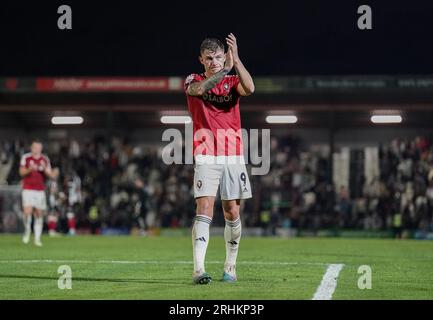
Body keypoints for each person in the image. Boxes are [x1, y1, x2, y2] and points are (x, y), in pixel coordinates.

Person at [184, 33, 255, 284]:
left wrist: (236, 61)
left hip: (233, 153)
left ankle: (230, 267)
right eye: (208, 58)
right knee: (204, 207)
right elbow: (200, 90)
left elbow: (250, 88)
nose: (213, 61)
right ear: (200, 60)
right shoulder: (193, 79)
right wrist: (223, 70)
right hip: (206, 153)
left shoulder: (233, 78)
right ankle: (198, 270)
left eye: (217, 57)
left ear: (224, 55)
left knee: (232, 212)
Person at [19, 139, 58, 246]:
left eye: (38, 147)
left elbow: (51, 175)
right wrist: (29, 169)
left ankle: (37, 238)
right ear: (31, 148)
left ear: (41, 148)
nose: (36, 149)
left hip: (40, 190)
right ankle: (27, 231)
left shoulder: (45, 159)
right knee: (27, 212)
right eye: (34, 147)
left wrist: (45, 170)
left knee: (39, 214)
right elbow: (21, 172)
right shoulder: (26, 158)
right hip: (28, 189)